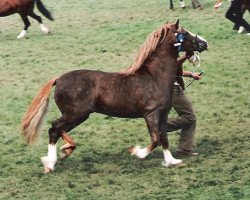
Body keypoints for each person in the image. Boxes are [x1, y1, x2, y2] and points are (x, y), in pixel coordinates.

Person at [167, 53, 202, 156]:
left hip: (171, 87)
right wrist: (187, 55)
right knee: (190, 117)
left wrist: (191, 74)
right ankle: (161, 126)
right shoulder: (166, 49)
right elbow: (174, 64)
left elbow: (178, 71)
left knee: (190, 118)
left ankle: (185, 149)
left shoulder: (170, 47)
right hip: (171, 88)